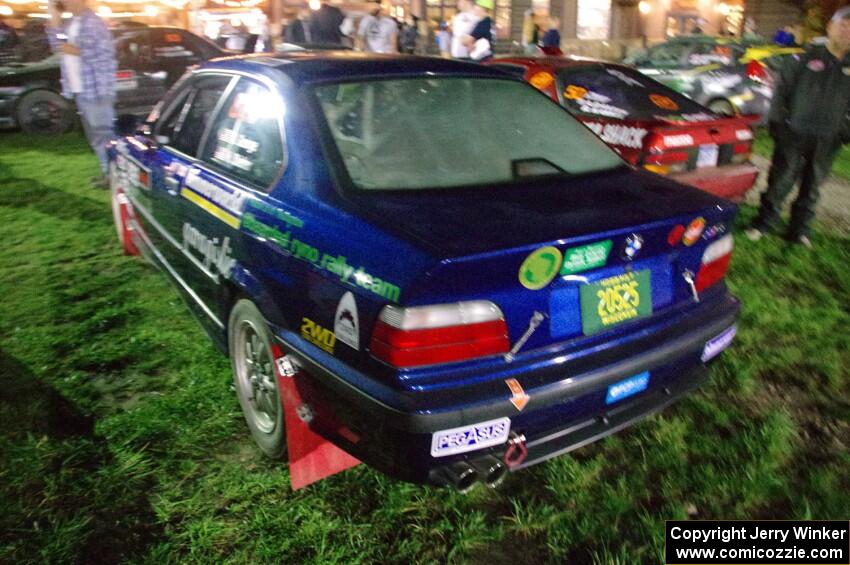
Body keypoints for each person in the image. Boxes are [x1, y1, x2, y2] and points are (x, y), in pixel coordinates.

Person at [746, 6, 850, 248]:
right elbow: (781, 91)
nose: (846, 32)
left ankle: (799, 231)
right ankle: (764, 223)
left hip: (828, 138)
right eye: (842, 25)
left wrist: (844, 131)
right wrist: (777, 123)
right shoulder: (805, 56)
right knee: (781, 180)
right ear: (830, 27)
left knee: (812, 186)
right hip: (794, 133)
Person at [46, 0, 116, 187]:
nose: (64, 2)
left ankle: (116, 176)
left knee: (105, 136)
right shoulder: (72, 23)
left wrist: (75, 50)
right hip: (81, 90)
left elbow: (106, 54)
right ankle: (108, 175)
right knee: (96, 138)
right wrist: (54, 18)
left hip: (96, 91)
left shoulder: (93, 22)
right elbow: (57, 46)